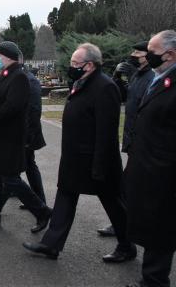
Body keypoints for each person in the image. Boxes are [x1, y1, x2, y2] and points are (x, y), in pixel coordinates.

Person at [23, 43, 136, 262]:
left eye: (76, 63)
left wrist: (100, 165)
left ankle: (126, 246)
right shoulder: (81, 82)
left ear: (90, 65)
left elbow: (106, 131)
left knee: (113, 204)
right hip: (75, 159)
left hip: (96, 159)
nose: (71, 66)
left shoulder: (105, 87)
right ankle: (51, 244)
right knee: (65, 197)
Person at [0, 41, 51, 233]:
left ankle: (42, 211)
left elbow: (12, 107)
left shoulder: (19, 77)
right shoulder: (3, 73)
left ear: (7, 57)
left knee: (11, 180)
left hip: (9, 138)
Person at [124, 30, 176, 287]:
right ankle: (151, 278)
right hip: (148, 167)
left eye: (152, 52)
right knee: (152, 227)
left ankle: (154, 281)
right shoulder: (156, 78)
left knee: (161, 230)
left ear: (170, 54)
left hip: (164, 172)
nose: (147, 56)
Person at [97, 40, 154, 238]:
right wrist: (118, 80)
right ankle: (126, 223)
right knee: (129, 185)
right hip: (133, 138)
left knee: (130, 185)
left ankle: (128, 225)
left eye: (137, 53)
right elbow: (125, 98)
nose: (133, 55)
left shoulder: (152, 77)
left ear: (147, 56)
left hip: (143, 141)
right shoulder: (138, 75)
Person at [20, 52, 47, 206]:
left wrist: (28, 136)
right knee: (27, 167)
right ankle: (36, 200)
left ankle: (39, 203)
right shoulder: (21, 77)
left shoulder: (29, 80)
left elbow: (34, 110)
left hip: (28, 133)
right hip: (24, 132)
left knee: (22, 168)